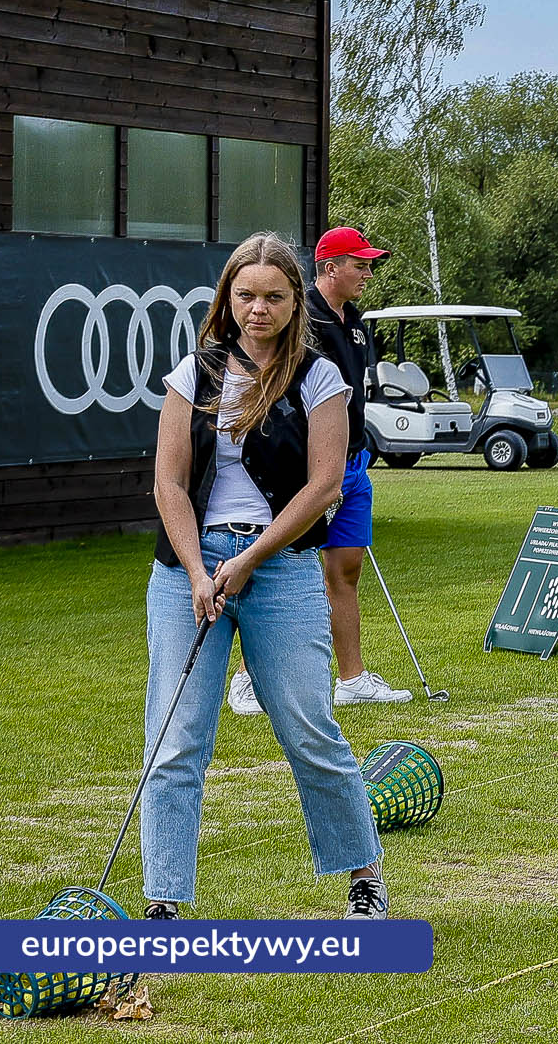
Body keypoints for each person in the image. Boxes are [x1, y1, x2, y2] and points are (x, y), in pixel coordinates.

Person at [144, 232, 387, 921]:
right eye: (245, 294)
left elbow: (324, 485)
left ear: (293, 300)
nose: (258, 308)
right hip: (185, 569)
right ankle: (162, 903)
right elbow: (167, 484)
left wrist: (248, 560)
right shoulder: (193, 373)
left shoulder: (319, 377)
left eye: (273, 296)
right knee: (175, 737)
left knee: (310, 728)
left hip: (279, 566)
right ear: (227, 297)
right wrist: (198, 570)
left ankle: (364, 877)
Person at [227, 227, 408, 715]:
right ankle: (246, 680)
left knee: (346, 570)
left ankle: (351, 679)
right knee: (276, 568)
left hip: (353, 465)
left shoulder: (355, 322)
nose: (368, 274)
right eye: (360, 265)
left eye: (370, 265)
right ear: (331, 267)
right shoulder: (299, 317)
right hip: (307, 472)